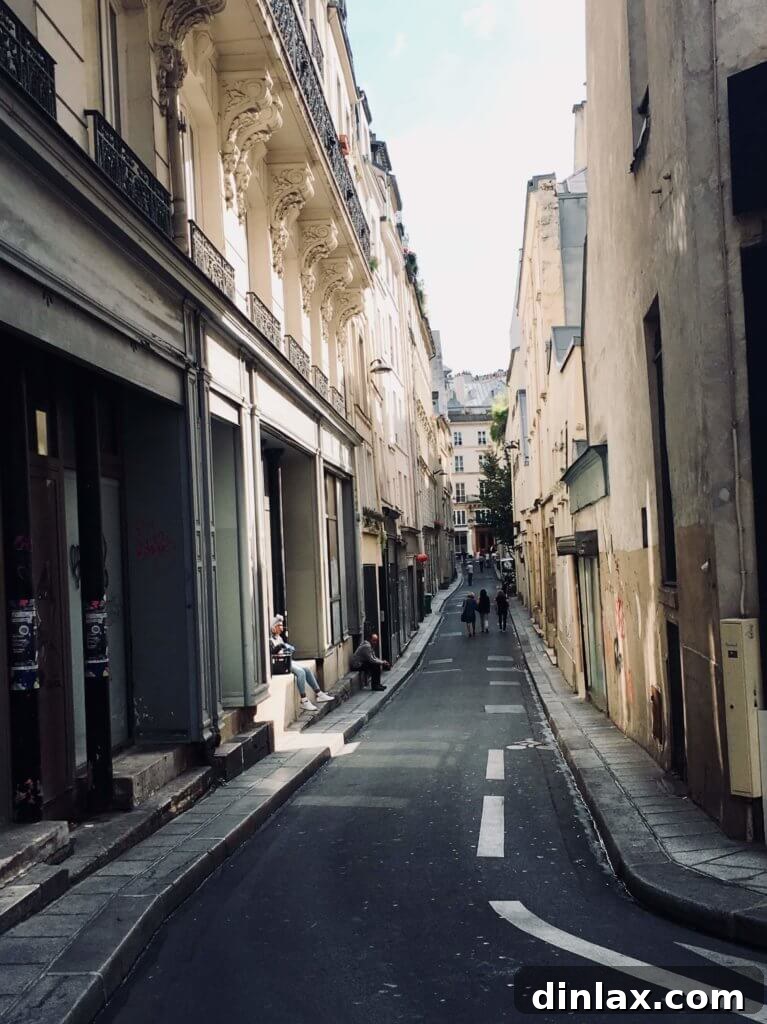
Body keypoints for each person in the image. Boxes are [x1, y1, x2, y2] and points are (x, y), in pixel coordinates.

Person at [270, 617, 334, 712]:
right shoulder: (270, 640)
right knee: (301, 673)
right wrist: (280, 646)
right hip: (280, 664)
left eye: (281, 625)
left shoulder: (279, 638)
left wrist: (287, 648)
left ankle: (319, 694)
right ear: (273, 628)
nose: (281, 627)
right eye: (278, 625)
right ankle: (304, 700)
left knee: (306, 669)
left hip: (286, 661)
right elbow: (272, 652)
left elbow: (283, 650)